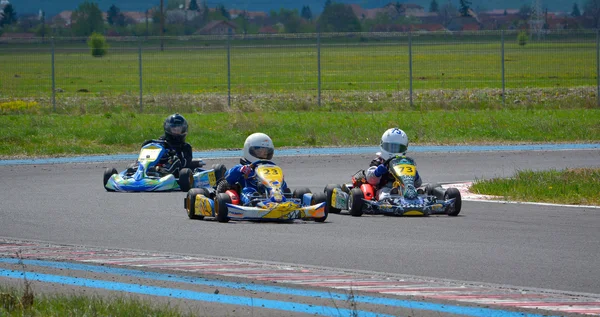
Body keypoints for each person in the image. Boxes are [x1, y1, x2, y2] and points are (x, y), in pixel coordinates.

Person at [222, 132, 288, 205]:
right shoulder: (243, 167)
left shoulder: (271, 168)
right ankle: (253, 202)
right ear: (249, 150)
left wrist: (281, 180)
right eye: (259, 151)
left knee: (285, 190)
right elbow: (227, 177)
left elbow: (283, 186)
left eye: (266, 151)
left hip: (268, 192)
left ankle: (285, 198)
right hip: (249, 193)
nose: (263, 154)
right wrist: (240, 170)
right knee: (248, 190)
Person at [127, 113, 193, 177]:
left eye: (178, 129)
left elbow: (185, 164)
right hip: (155, 167)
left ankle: (163, 172)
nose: (176, 131)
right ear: (168, 128)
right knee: (148, 148)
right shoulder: (161, 142)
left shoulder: (185, 147)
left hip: (175, 171)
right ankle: (137, 169)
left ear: (183, 130)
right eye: (173, 128)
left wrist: (173, 153)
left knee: (175, 159)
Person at [365, 128, 422, 200]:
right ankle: (393, 195)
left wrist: (415, 176)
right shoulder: (379, 161)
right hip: (383, 189)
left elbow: (418, 184)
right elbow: (370, 179)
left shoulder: (405, 163)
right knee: (384, 194)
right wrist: (378, 171)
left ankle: (412, 196)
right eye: (390, 147)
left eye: (398, 148)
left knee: (419, 192)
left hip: (404, 187)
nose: (394, 151)